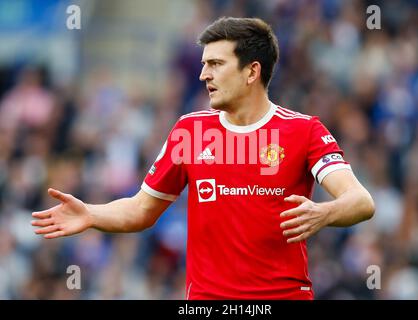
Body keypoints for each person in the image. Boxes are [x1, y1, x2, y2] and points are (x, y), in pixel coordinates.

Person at [31, 17, 375, 300]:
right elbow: (140, 210)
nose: (203, 74)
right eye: (203, 64)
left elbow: (360, 201)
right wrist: (91, 213)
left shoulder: (304, 131)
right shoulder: (189, 131)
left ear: (251, 71)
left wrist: (324, 213)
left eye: (215, 64)